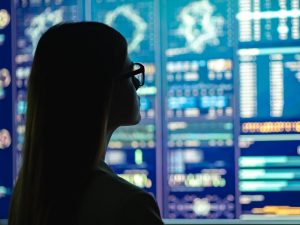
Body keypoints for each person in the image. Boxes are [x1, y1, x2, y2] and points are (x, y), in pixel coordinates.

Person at [8, 22, 164, 225]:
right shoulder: (130, 206)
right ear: (102, 92)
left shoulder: (28, 191)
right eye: (130, 74)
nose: (137, 85)